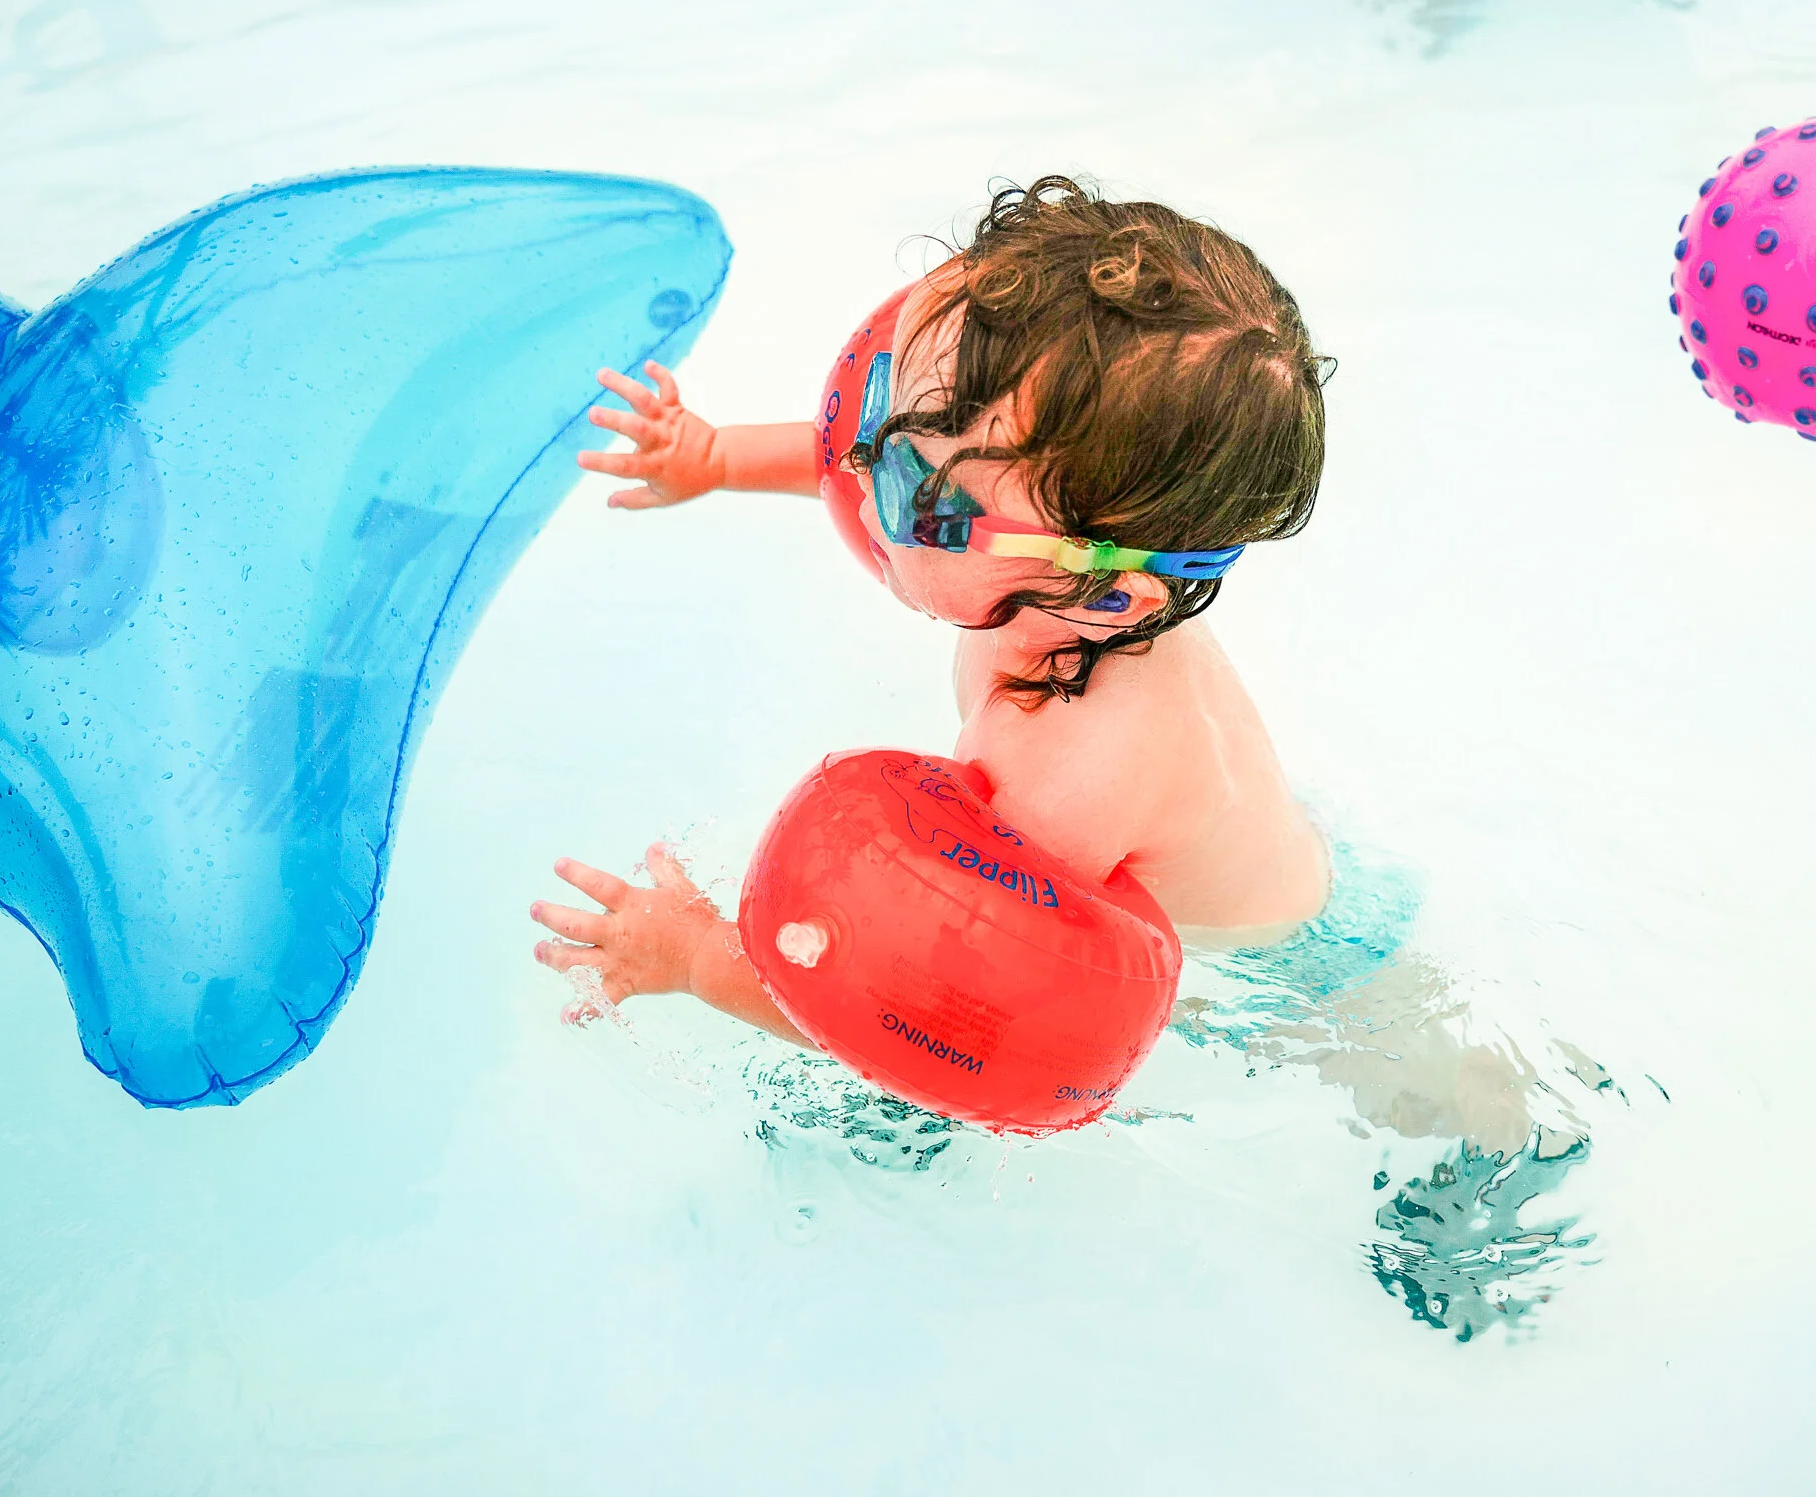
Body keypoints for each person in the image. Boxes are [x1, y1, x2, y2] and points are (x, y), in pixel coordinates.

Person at [529, 175, 1333, 1044]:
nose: (866, 485)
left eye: (926, 503)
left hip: (1281, 990)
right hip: (1291, 867)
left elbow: (929, 1004)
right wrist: (717, 456)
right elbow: (884, 457)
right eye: (883, 419)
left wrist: (694, 958)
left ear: (1109, 595)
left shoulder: (1064, 763)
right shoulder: (1076, 574)